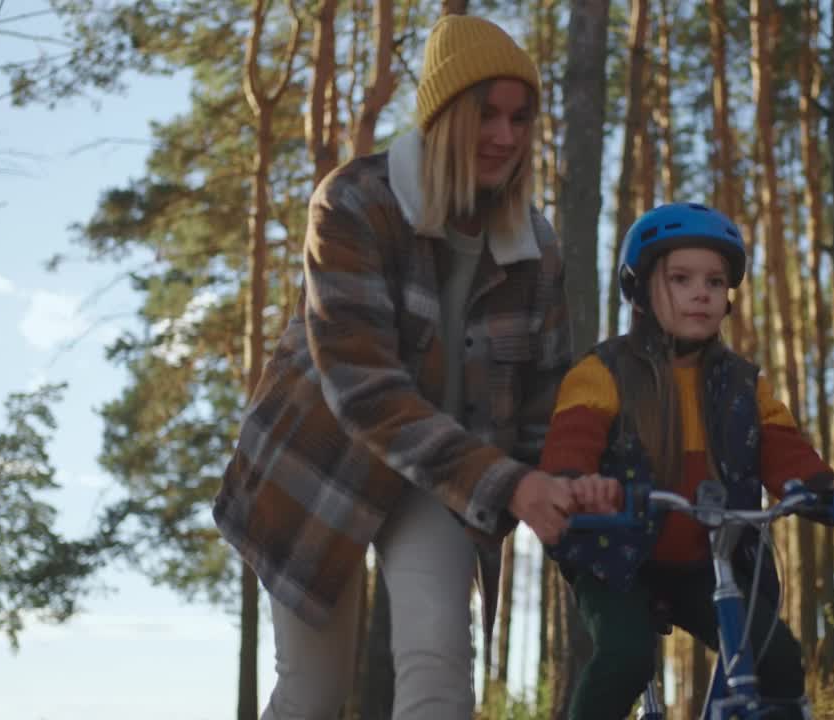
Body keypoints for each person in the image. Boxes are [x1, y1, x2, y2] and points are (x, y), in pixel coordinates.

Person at [213, 15, 579, 720]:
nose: (505, 136)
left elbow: (546, 400)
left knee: (439, 677)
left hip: (445, 477)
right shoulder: (352, 202)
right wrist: (512, 483)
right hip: (319, 467)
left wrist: (568, 484)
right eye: (486, 114)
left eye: (520, 117)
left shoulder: (537, 247)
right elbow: (364, 389)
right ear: (443, 116)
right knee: (313, 696)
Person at [540, 202, 834, 720]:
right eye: (681, 278)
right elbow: (571, 441)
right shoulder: (604, 370)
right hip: (616, 554)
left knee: (778, 659)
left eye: (716, 282)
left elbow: (785, 451)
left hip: (706, 560)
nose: (702, 292)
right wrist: (575, 483)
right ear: (639, 289)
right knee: (626, 657)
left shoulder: (744, 385)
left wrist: (828, 488)